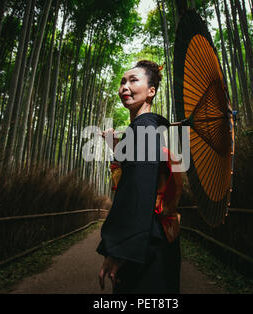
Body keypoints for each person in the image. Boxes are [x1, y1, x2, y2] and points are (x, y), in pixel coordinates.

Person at [96, 60, 182, 294]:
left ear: (151, 91)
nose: (125, 87)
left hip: (146, 243)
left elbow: (138, 190)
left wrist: (121, 249)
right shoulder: (147, 129)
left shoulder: (145, 127)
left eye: (133, 80)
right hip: (155, 239)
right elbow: (143, 172)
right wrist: (118, 148)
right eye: (123, 81)